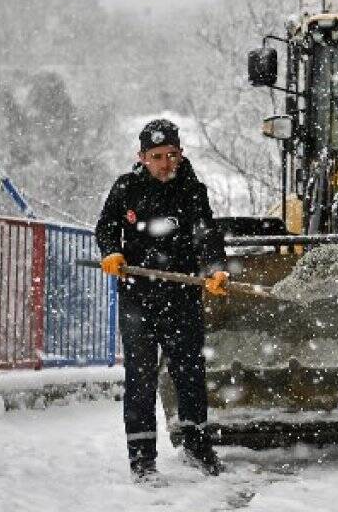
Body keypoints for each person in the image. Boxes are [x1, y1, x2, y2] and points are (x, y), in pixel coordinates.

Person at [96, 119, 228, 482]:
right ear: (142, 158)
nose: (166, 163)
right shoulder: (125, 189)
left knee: (189, 376)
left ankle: (198, 448)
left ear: (181, 154)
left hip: (182, 297)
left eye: (172, 155)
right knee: (140, 379)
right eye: (157, 156)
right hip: (138, 298)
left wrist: (215, 268)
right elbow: (106, 226)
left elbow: (206, 232)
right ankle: (142, 460)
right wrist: (111, 252)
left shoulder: (192, 190)